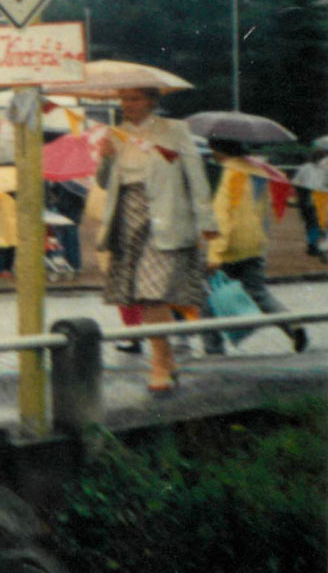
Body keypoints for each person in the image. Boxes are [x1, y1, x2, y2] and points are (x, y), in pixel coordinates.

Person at [93, 86, 215, 395]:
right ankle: (165, 358)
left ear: (151, 101)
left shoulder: (174, 130)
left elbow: (196, 176)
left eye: (133, 98)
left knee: (153, 292)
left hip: (165, 214)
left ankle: (159, 363)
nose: (127, 104)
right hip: (127, 217)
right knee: (142, 293)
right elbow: (104, 182)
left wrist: (207, 223)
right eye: (123, 98)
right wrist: (104, 158)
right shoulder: (115, 133)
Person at [201, 137, 306, 356]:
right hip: (255, 243)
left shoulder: (227, 173)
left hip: (231, 247)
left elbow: (222, 216)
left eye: (212, 149)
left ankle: (213, 347)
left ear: (220, 150)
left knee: (210, 296)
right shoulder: (258, 171)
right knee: (259, 293)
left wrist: (215, 253)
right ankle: (293, 326)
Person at [294, 147, 327, 261]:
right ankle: (316, 247)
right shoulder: (310, 169)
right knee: (315, 224)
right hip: (313, 201)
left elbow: (297, 185)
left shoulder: (305, 168)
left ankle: (314, 246)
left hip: (308, 201)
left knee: (312, 225)